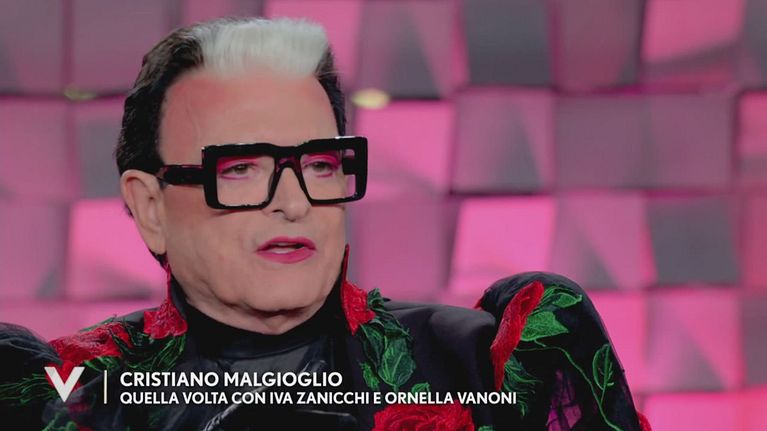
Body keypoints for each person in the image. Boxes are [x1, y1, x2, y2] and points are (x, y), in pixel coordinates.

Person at [0, 17, 650, 430]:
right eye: (241, 168)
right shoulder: (67, 393)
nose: (293, 202)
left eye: (318, 163)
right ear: (150, 207)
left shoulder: (486, 363)